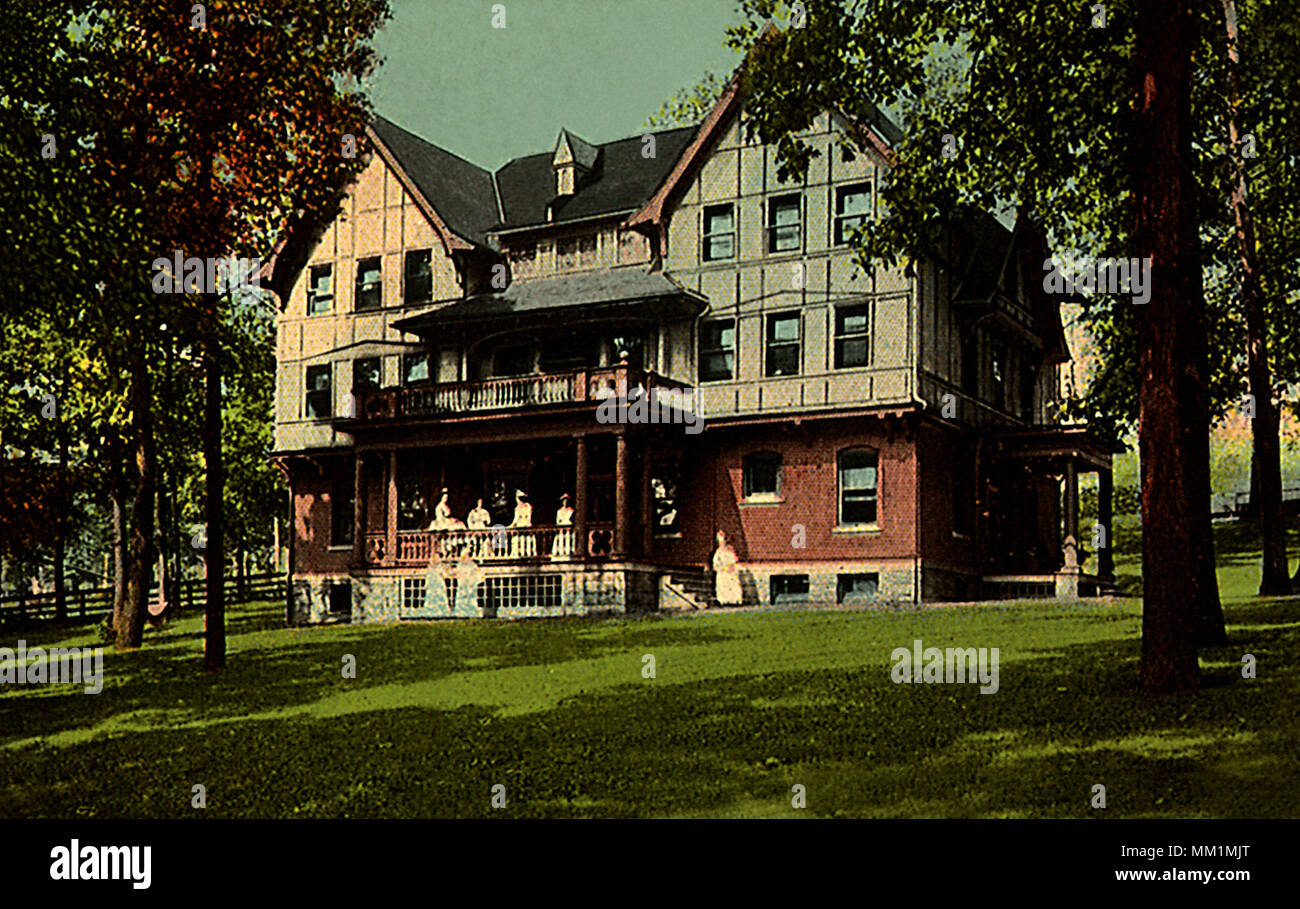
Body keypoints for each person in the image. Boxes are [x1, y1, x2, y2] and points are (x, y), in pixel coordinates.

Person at [712, 530, 742, 607]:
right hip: (723, 570)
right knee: (721, 580)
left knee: (732, 581)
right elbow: (715, 562)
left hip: (730, 570)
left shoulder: (729, 549)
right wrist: (720, 568)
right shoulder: (718, 551)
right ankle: (723, 600)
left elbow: (734, 559)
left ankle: (734, 600)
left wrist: (731, 566)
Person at [421, 549, 452, 618]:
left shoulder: (440, 567)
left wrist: (448, 572)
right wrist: (426, 584)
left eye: (437, 558)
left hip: (439, 584)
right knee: (430, 598)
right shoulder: (430, 567)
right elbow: (428, 576)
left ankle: (444, 613)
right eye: (434, 558)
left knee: (441, 597)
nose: (436, 559)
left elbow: (445, 575)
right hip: (432, 585)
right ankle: (430, 613)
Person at [452, 552, 483, 618]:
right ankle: (461, 613)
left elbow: (478, 575)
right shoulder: (460, 565)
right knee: (462, 599)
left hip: (470, 585)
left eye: (466, 556)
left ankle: (473, 613)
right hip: (463, 586)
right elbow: (456, 574)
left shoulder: (472, 565)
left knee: (471, 600)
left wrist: (473, 581)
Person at [510, 489, 535, 557]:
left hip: (525, 525)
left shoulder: (527, 507)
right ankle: (520, 553)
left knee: (527, 540)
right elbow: (516, 520)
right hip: (521, 525)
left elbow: (527, 518)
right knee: (519, 540)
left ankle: (527, 554)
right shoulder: (518, 508)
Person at [551, 493, 575, 559]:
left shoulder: (571, 511)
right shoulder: (559, 511)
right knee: (560, 540)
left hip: (568, 527)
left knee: (568, 540)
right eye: (564, 501)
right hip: (561, 527)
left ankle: (568, 554)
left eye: (566, 500)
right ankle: (558, 554)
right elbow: (558, 521)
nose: (565, 502)